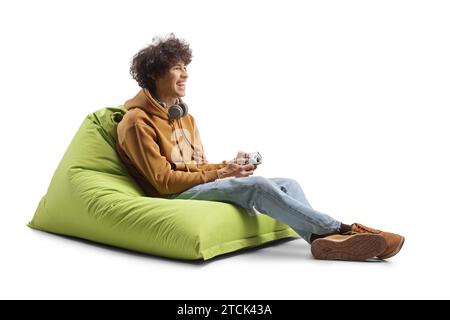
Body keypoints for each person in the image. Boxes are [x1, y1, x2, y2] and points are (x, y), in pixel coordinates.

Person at [116, 34, 404, 261]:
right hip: (172, 197)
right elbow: (163, 182)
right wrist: (220, 174)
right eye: (177, 68)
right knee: (258, 186)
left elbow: (197, 166)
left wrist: (228, 166)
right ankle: (341, 230)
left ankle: (322, 243)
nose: (186, 74)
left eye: (186, 67)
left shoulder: (184, 116)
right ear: (155, 74)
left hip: (193, 185)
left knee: (289, 183)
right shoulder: (136, 122)